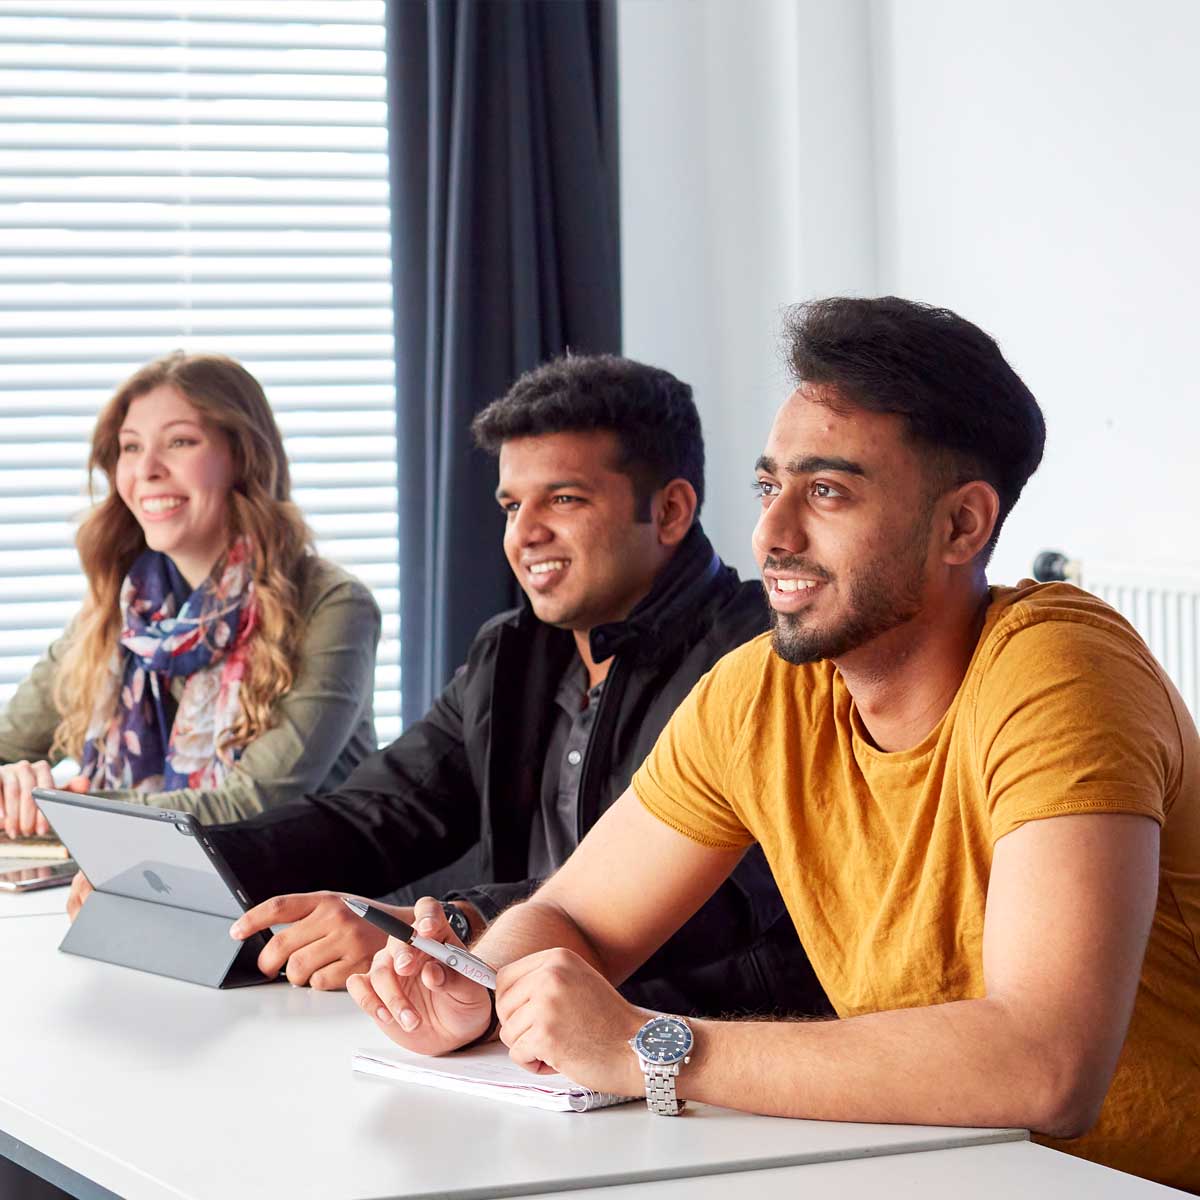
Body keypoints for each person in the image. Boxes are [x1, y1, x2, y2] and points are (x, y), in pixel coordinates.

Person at [346, 299, 1199, 1193]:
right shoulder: (763, 689)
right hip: (934, 1172)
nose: (772, 534)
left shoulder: (1060, 672)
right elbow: (576, 922)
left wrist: (654, 1048)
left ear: (962, 525)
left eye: (826, 492)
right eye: (769, 488)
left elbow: (1048, 1067)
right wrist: (476, 989)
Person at [202, 354, 828, 1019]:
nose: (525, 534)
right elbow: (378, 816)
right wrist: (193, 867)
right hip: (521, 1039)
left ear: (670, 511)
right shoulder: (512, 653)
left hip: (708, 1048)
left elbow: (728, 896)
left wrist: (458, 933)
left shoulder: (772, 657)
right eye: (511, 505)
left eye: (564, 499)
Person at [0, 351, 380, 837]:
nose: (148, 469)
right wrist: (13, 787)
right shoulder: (119, 612)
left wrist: (69, 810)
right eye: (131, 448)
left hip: (308, 898)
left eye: (180, 441)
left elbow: (257, 801)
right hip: (148, 891)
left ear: (243, 457)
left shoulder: (333, 605)